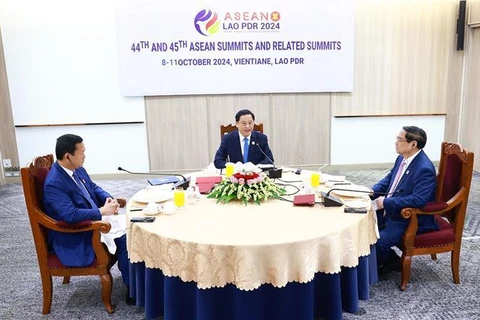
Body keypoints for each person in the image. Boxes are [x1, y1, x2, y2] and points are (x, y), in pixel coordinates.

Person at [43, 134, 134, 305]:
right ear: (68, 156)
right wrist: (101, 212)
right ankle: (134, 291)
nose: (85, 156)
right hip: (76, 236)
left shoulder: (77, 169)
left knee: (133, 227)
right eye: (82, 152)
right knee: (125, 239)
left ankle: (136, 283)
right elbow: (69, 215)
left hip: (93, 223)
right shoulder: (54, 183)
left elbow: (93, 188)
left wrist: (109, 199)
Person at [371, 126, 438, 274]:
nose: (396, 142)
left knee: (379, 242)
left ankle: (380, 267)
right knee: (362, 224)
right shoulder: (402, 157)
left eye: (399, 140)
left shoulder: (424, 168)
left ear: (413, 144)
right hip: (392, 210)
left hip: (409, 218)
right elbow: (390, 179)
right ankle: (391, 260)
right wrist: (372, 191)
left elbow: (418, 200)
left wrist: (386, 203)